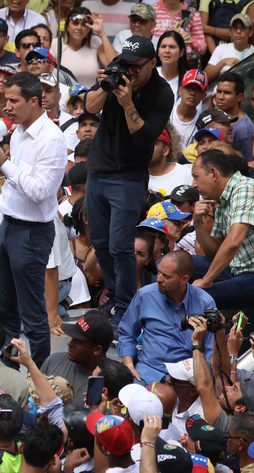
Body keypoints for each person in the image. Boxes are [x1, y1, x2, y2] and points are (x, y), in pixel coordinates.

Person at [83, 36, 174, 327]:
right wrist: (105, 85)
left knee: (121, 245)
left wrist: (126, 102)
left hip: (128, 175)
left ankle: (125, 306)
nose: (130, 71)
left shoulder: (162, 93)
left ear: (153, 64)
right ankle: (114, 293)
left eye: (136, 66)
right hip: (98, 169)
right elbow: (90, 106)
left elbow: (145, 136)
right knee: (100, 241)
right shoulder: (117, 67)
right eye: (127, 64)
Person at [0, 71, 67, 366]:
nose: (7, 107)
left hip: (32, 234)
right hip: (10, 227)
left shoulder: (52, 139)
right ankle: (5, 364)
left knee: (32, 310)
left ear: (34, 101)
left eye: (13, 101)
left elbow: (41, 192)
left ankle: (39, 370)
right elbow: (14, 188)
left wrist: (5, 165)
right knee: (5, 305)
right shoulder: (17, 133)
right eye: (6, 100)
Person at [190, 149, 254, 310]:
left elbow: (233, 242)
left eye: (196, 177)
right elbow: (213, 254)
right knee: (177, 265)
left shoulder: (246, 189)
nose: (193, 184)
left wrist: (206, 281)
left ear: (213, 173)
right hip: (243, 270)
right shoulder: (222, 201)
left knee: (199, 297)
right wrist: (198, 223)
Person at [117, 250, 215, 383]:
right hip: (147, 373)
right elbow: (127, 332)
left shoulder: (204, 303)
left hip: (186, 379)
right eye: (159, 272)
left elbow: (210, 350)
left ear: (184, 279)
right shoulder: (145, 295)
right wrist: (128, 364)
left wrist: (196, 381)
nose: (159, 279)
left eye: (166, 276)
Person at [213, 72, 254, 162]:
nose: (220, 97)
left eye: (227, 93)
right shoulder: (216, 116)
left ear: (239, 97)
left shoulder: (243, 129)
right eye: (219, 91)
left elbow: (246, 164)